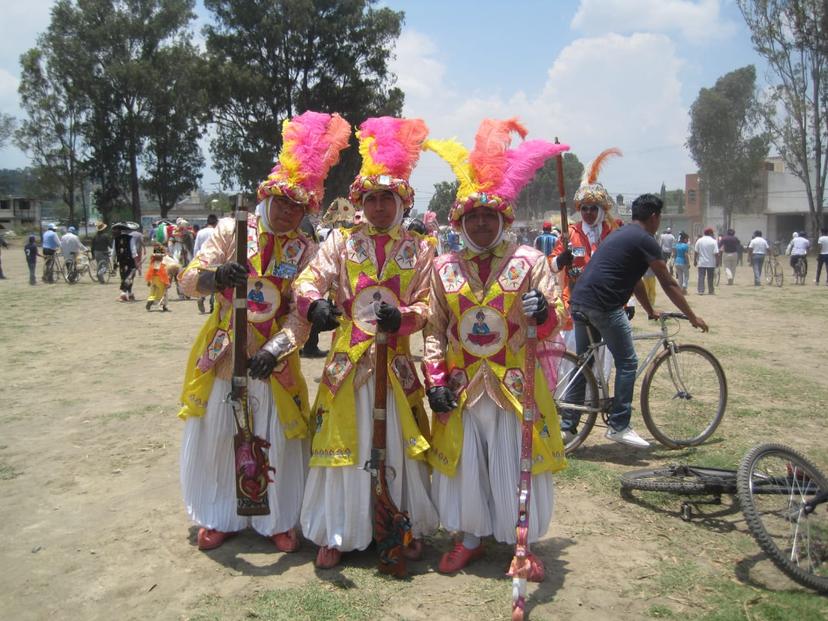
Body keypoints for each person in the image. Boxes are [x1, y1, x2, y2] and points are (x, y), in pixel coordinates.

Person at [177, 110, 351, 552]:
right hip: (224, 349)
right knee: (220, 430)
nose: (289, 211)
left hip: (276, 358)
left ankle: (276, 518)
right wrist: (217, 276)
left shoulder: (307, 249)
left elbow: (300, 311)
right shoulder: (230, 231)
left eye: (298, 205)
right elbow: (188, 278)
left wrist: (275, 349)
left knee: (276, 434)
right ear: (267, 198)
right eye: (283, 202)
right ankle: (221, 515)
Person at [423, 118, 569, 578]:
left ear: (504, 218)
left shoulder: (530, 262)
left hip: (515, 385)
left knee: (514, 463)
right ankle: (468, 536)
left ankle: (519, 541)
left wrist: (541, 310)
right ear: (460, 221)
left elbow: (558, 317)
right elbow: (432, 328)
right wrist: (434, 381)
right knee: (467, 465)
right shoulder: (443, 267)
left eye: (489, 216)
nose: (481, 223)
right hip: (463, 386)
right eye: (472, 217)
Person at [293, 116, 437, 570]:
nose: (378, 208)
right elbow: (307, 280)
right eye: (371, 199)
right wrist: (314, 305)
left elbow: (431, 304)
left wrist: (408, 317)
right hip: (347, 364)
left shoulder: (421, 248)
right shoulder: (340, 241)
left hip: (394, 367)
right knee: (343, 445)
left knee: (396, 444)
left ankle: (399, 523)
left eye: (386, 199)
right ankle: (337, 529)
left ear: (401, 202)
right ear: (360, 202)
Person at [568, 194, 708, 448]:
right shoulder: (646, 241)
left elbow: (635, 280)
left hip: (580, 300)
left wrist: (649, 310)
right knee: (628, 362)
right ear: (654, 217)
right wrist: (691, 316)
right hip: (604, 305)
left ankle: (568, 427)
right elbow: (667, 282)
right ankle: (619, 425)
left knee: (584, 363)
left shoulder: (620, 234)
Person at [194, 214, 218, 313]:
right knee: (214, 282)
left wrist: (195, 260)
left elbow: (196, 247)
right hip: (214, 259)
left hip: (202, 259)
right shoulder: (217, 232)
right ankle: (212, 303)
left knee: (203, 282)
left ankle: (201, 297)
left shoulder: (200, 232)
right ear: (216, 222)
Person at [144, 244, 173, 311]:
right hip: (161, 278)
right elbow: (166, 271)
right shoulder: (164, 260)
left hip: (153, 278)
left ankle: (150, 300)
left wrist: (149, 281)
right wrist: (167, 282)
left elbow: (149, 272)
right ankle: (162, 305)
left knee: (153, 291)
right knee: (162, 293)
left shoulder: (153, 262)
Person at [694, 228, 719, 295]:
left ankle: (701, 290)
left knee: (701, 277)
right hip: (711, 263)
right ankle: (711, 290)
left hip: (701, 262)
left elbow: (696, 252)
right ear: (710, 233)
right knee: (710, 277)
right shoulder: (713, 241)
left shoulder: (699, 240)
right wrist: (717, 262)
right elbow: (716, 253)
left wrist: (695, 261)